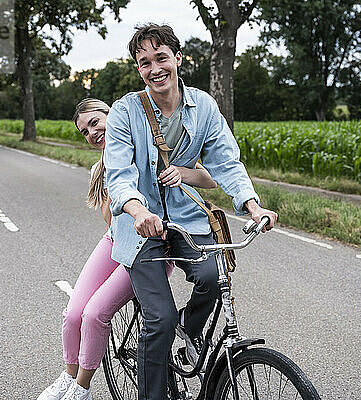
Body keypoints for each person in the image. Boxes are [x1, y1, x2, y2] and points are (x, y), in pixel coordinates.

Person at [103, 24, 279, 400]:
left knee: (214, 276)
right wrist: (137, 212)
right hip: (140, 228)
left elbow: (226, 162)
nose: (154, 69)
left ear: (178, 58)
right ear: (139, 69)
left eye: (161, 58)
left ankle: (190, 329)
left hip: (186, 218)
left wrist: (252, 205)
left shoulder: (203, 107)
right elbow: (118, 177)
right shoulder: (124, 112)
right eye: (144, 62)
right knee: (159, 319)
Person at [37, 98, 217, 400]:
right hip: (116, 240)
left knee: (95, 314)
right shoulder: (101, 167)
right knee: (73, 314)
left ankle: (81, 387)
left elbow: (209, 179)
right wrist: (113, 184)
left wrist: (179, 173)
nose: (92, 133)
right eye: (85, 132)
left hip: (151, 245)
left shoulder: (150, 145)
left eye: (95, 123)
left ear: (115, 115)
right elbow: (111, 221)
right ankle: (67, 378)